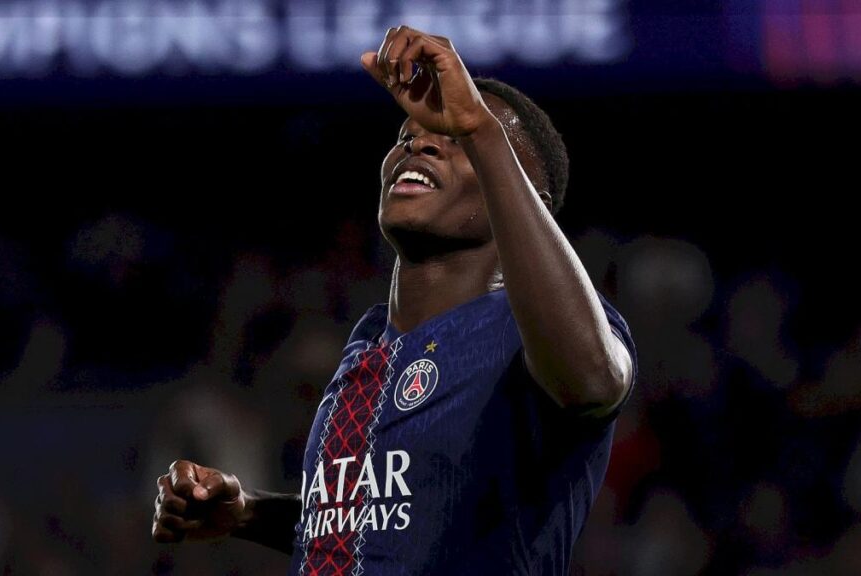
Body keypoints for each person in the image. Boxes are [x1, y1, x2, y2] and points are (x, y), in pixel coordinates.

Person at [152, 25, 637, 575]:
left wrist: (480, 126)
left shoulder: (533, 334)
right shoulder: (365, 346)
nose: (422, 142)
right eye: (409, 135)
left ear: (529, 196)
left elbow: (594, 380)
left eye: (456, 139)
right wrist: (249, 514)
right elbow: (401, 522)